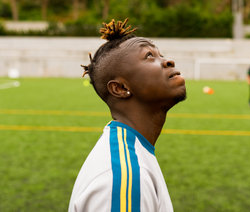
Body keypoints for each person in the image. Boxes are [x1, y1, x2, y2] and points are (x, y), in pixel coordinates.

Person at [69, 19, 186, 212]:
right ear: (121, 88)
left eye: (161, 55)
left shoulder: (132, 156)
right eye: (149, 56)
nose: (168, 61)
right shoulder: (125, 178)